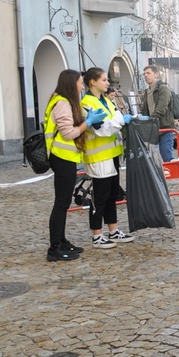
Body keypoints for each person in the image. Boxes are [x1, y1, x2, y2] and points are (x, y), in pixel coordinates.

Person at [44, 70, 106, 261]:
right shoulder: (62, 104)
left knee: (63, 203)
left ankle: (61, 241)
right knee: (61, 204)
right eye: (79, 82)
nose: (81, 86)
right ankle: (54, 248)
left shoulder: (63, 101)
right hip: (62, 158)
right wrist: (88, 123)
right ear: (71, 84)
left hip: (65, 157)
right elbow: (68, 133)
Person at [81, 67, 135, 249]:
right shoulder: (87, 103)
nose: (108, 83)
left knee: (112, 194)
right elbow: (102, 129)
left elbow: (116, 118)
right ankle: (97, 234)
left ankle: (113, 230)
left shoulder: (105, 100)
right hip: (98, 156)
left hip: (112, 154)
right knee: (100, 196)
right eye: (104, 80)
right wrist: (121, 121)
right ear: (93, 82)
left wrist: (127, 118)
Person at [141, 65, 179, 193]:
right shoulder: (147, 91)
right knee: (151, 158)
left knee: (168, 158)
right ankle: (156, 188)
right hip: (153, 129)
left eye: (148, 73)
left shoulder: (163, 88)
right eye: (144, 73)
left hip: (165, 128)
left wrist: (149, 119)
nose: (145, 75)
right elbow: (144, 110)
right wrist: (140, 119)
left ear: (156, 75)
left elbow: (161, 108)